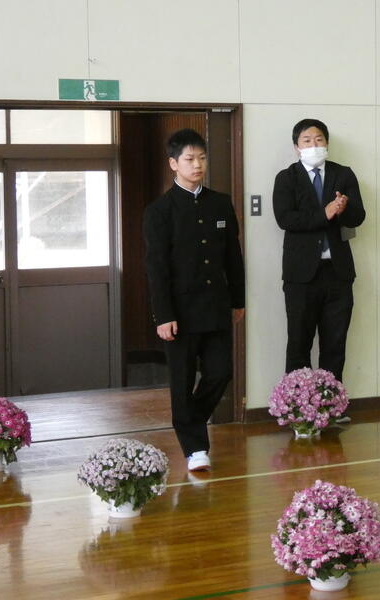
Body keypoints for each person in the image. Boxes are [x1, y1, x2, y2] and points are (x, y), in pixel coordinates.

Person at [143, 128, 245, 472]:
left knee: (221, 373)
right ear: (174, 163)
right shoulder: (159, 211)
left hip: (216, 307)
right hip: (179, 313)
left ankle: (189, 422)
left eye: (202, 158)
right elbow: (156, 268)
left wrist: (238, 300)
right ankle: (195, 448)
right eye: (189, 159)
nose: (197, 164)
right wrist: (162, 315)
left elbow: (233, 257)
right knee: (182, 381)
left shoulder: (220, 203)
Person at [272, 119, 365, 418]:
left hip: (338, 273)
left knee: (335, 343)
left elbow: (358, 217)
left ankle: (331, 409)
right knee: (299, 343)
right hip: (300, 277)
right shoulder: (287, 178)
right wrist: (324, 213)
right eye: (307, 140)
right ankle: (297, 410)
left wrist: (344, 208)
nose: (314, 145)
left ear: (327, 143)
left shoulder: (343, 174)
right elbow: (285, 219)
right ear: (296, 146)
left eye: (319, 139)